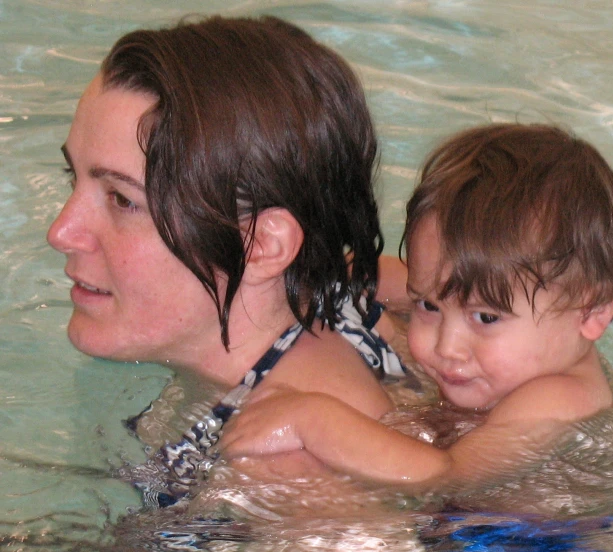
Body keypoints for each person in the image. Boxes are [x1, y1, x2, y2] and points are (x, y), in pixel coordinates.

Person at [46, 15, 408, 510]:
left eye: (122, 200)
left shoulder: (288, 469)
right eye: (75, 179)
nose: (61, 232)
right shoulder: (338, 292)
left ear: (260, 246)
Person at [219, 123, 613, 514]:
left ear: (593, 312)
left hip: (555, 542)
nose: (446, 347)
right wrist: (322, 275)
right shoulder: (522, 342)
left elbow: (445, 475)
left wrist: (312, 418)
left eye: (485, 317)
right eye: (429, 306)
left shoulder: (559, 399)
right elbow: (390, 276)